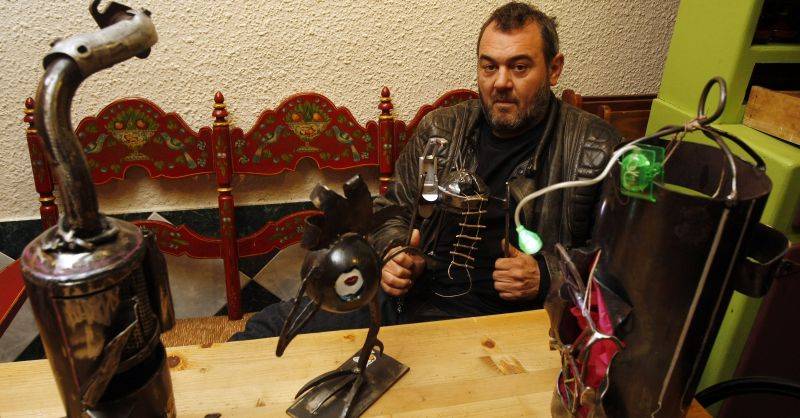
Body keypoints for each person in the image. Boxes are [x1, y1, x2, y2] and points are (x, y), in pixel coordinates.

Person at [230, 1, 619, 341]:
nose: (500, 82)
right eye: (489, 67)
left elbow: (621, 267)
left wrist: (547, 276)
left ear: (554, 69)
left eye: (519, 67)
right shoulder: (441, 129)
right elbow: (392, 210)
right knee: (266, 330)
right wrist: (395, 251)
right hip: (410, 300)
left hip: (509, 321)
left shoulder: (596, 147)